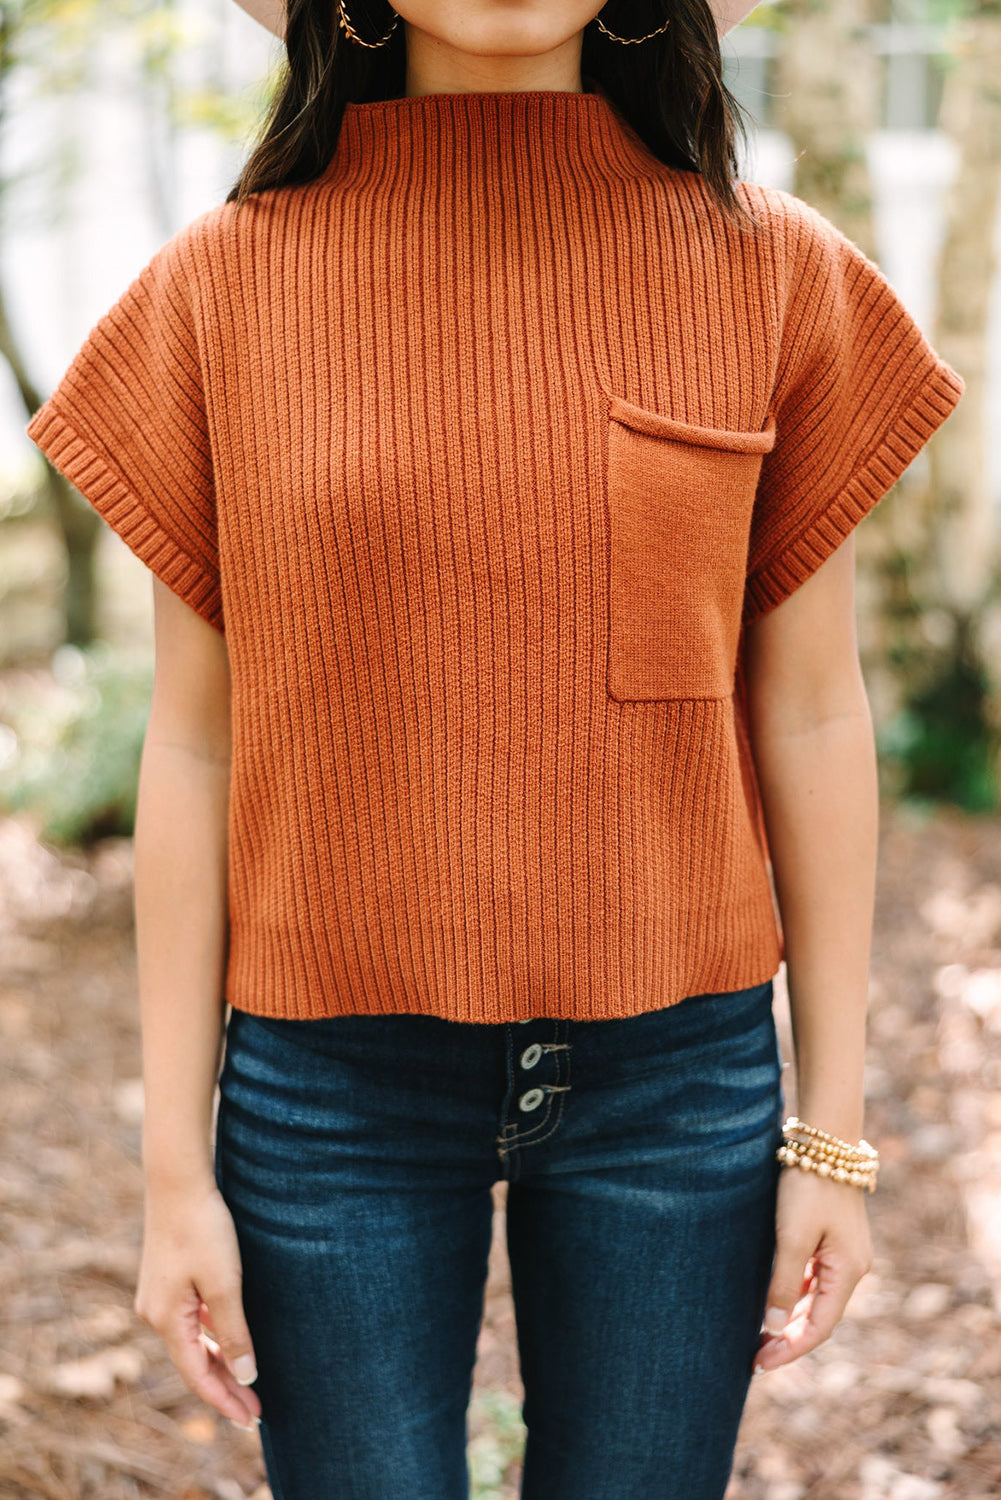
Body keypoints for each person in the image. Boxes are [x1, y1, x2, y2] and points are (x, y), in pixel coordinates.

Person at [25, 2, 964, 1496]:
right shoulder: (220, 288)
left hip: (678, 1081)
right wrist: (170, 1175)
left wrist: (829, 1140)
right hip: (326, 1094)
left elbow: (811, 711)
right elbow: (196, 749)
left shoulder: (770, 270)